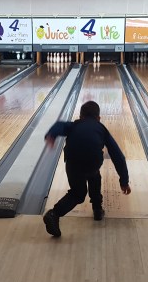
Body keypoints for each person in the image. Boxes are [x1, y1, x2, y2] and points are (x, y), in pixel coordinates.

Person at [43, 101, 131, 237]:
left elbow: (59, 125)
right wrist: (124, 181)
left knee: (77, 194)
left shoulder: (74, 125)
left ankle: (54, 214)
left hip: (73, 164)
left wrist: (51, 135)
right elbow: (118, 156)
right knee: (94, 176)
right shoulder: (102, 129)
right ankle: (97, 209)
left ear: (80, 117)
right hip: (92, 164)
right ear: (98, 118)